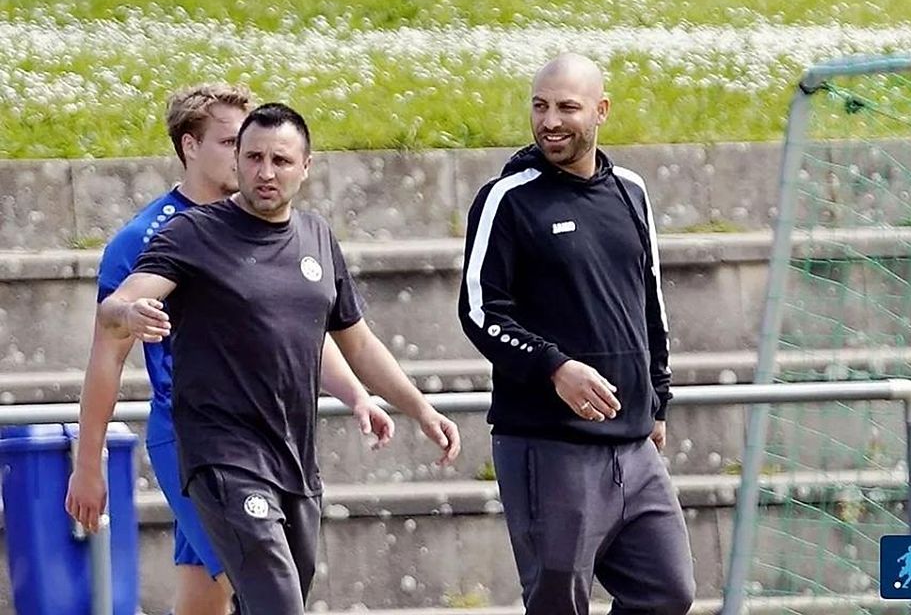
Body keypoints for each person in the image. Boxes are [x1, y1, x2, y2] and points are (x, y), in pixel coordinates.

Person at [97, 102, 461, 614]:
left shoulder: (316, 237)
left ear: (306, 166)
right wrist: (128, 313)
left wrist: (419, 409)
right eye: (254, 158)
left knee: (269, 597)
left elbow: (356, 342)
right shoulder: (193, 233)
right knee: (279, 601)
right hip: (222, 454)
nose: (266, 172)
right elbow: (116, 307)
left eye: (281, 161)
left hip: (294, 456)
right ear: (239, 161)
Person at [64, 84, 380, 615]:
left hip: (266, 436)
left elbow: (294, 332)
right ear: (191, 146)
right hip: (194, 436)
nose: (255, 162)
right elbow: (107, 352)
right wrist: (88, 463)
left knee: (207, 596)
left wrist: (356, 394)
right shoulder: (149, 235)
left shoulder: (266, 228)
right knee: (258, 585)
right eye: (237, 144)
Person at [457, 53, 695, 614]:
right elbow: (479, 311)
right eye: (540, 106)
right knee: (559, 604)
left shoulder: (632, 191)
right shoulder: (507, 198)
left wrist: (658, 399)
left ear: (602, 110)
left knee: (667, 593)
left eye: (567, 107)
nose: (550, 121)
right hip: (549, 446)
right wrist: (554, 366)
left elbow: (650, 303)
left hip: (634, 445)